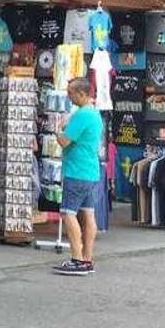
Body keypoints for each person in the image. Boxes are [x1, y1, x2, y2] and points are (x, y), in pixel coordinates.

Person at [53, 77, 104, 276]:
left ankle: (77, 258)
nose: (69, 96)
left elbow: (65, 141)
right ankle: (87, 258)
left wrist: (58, 129)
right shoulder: (94, 114)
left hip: (77, 171)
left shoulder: (82, 115)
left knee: (68, 213)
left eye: (71, 93)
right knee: (88, 214)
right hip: (90, 171)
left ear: (82, 94)